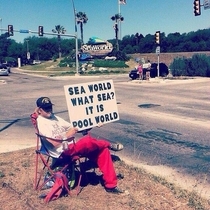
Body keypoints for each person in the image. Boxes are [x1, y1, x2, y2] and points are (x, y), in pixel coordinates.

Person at [35, 96, 124, 194]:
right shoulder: (41, 123)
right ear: (39, 110)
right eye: (46, 108)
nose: (49, 110)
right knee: (87, 141)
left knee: (102, 151)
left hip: (71, 147)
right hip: (61, 151)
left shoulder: (54, 117)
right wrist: (69, 133)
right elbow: (54, 143)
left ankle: (110, 185)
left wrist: (94, 123)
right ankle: (108, 144)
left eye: (50, 107)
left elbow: (75, 127)